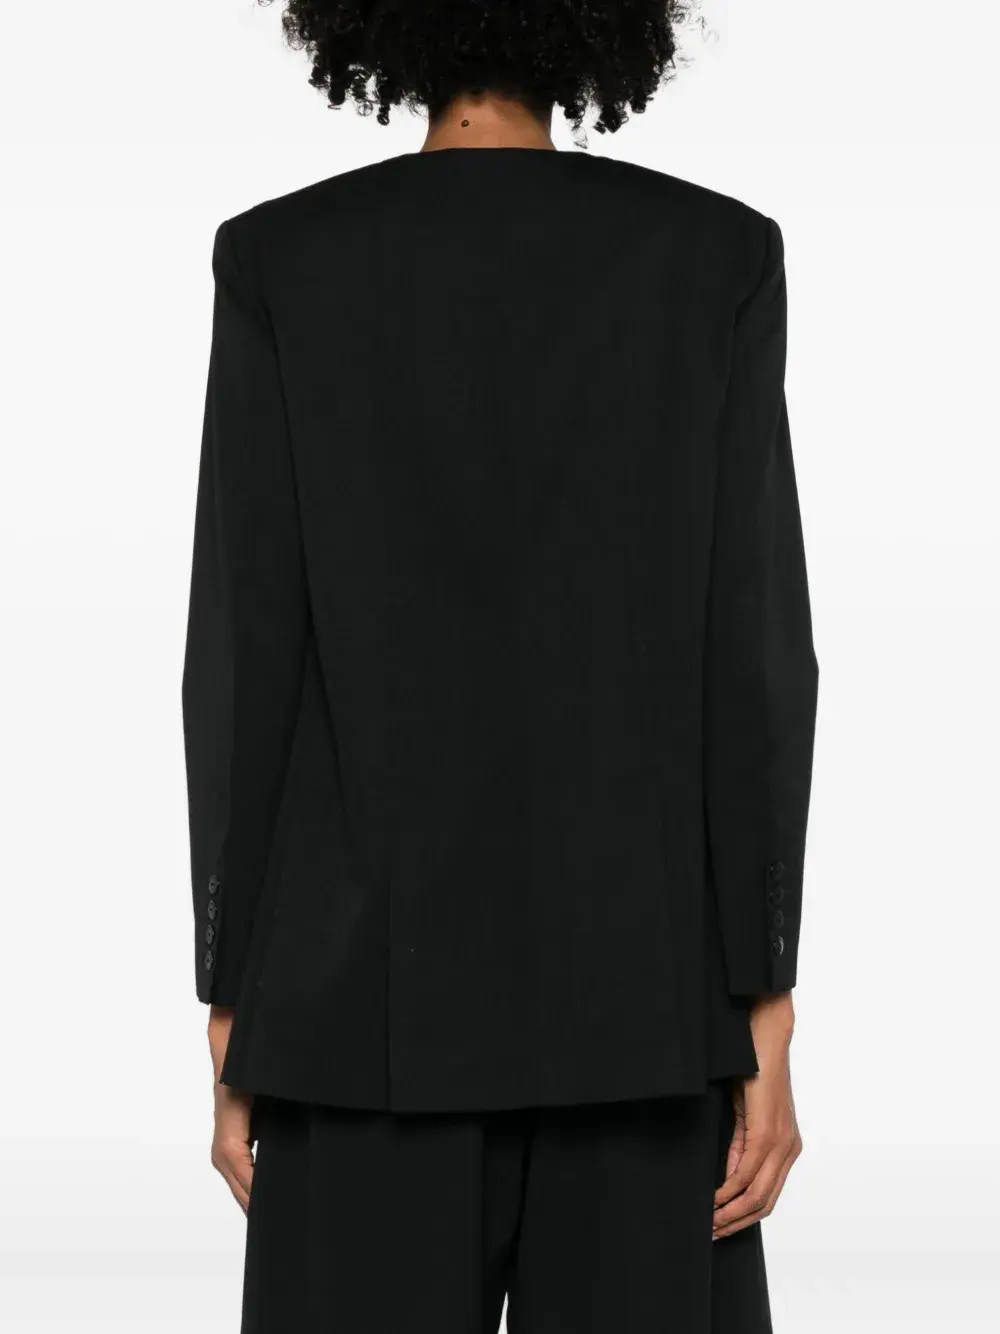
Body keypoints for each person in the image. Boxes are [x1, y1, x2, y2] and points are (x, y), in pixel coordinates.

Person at [182, 2, 819, 1330]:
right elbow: (752, 658)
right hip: (648, 1007)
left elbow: (249, 656)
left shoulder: (283, 260)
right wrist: (764, 995)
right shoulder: (713, 256)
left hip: (359, 1015)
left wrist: (237, 995)